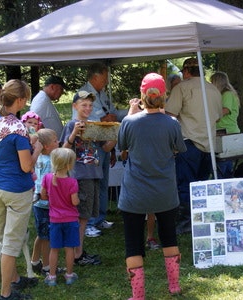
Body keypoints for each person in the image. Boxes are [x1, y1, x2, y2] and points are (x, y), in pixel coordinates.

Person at [118, 73, 187, 299]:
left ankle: (138, 295)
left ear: (142, 95)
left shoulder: (129, 122)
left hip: (134, 194)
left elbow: (123, 148)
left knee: (133, 244)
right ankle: (174, 286)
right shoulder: (172, 123)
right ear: (164, 95)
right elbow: (178, 149)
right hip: (165, 191)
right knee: (169, 237)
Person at [0, 79, 43, 300]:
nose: (26, 103)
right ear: (18, 100)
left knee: (3, 238)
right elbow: (27, 166)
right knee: (11, 243)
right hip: (16, 191)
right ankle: (6, 294)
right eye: (25, 99)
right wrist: (37, 148)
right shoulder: (18, 129)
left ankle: (15, 279)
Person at [165, 57, 222, 235]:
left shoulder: (181, 87)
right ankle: (201, 220)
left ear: (187, 72)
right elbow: (218, 116)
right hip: (209, 145)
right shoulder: (214, 89)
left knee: (185, 185)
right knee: (202, 185)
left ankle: (185, 223)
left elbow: (170, 113)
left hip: (189, 143)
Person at [61, 90, 116, 265]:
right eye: (84, 105)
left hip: (94, 174)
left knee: (85, 216)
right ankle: (76, 254)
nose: (88, 108)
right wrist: (74, 133)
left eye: (90, 105)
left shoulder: (93, 126)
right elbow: (64, 151)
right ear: (74, 106)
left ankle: (78, 251)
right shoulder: (71, 125)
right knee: (80, 216)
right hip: (80, 176)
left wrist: (116, 134)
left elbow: (105, 148)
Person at [74, 63, 117, 238]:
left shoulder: (102, 93)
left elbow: (111, 114)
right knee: (90, 185)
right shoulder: (84, 94)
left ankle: (100, 217)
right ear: (96, 77)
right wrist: (105, 119)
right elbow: (91, 119)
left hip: (104, 143)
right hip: (90, 145)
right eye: (105, 77)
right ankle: (89, 222)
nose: (106, 81)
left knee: (102, 181)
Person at [42, 148, 80, 286]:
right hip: (70, 219)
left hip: (55, 219)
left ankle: (52, 277)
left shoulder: (47, 178)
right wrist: (78, 200)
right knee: (70, 248)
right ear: (69, 165)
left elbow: (43, 195)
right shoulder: (72, 182)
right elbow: (74, 201)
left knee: (54, 248)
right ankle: (69, 275)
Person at [30, 128, 60, 276]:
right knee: (46, 236)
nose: (58, 142)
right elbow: (44, 185)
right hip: (44, 203)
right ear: (47, 146)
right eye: (55, 141)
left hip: (37, 203)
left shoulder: (40, 158)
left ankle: (35, 261)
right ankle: (47, 267)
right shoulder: (49, 162)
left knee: (41, 234)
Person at [210, 71, 241, 178]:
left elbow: (225, 110)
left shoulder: (227, 94)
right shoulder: (226, 94)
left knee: (223, 166)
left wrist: (211, 118)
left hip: (227, 132)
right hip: (225, 132)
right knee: (225, 166)